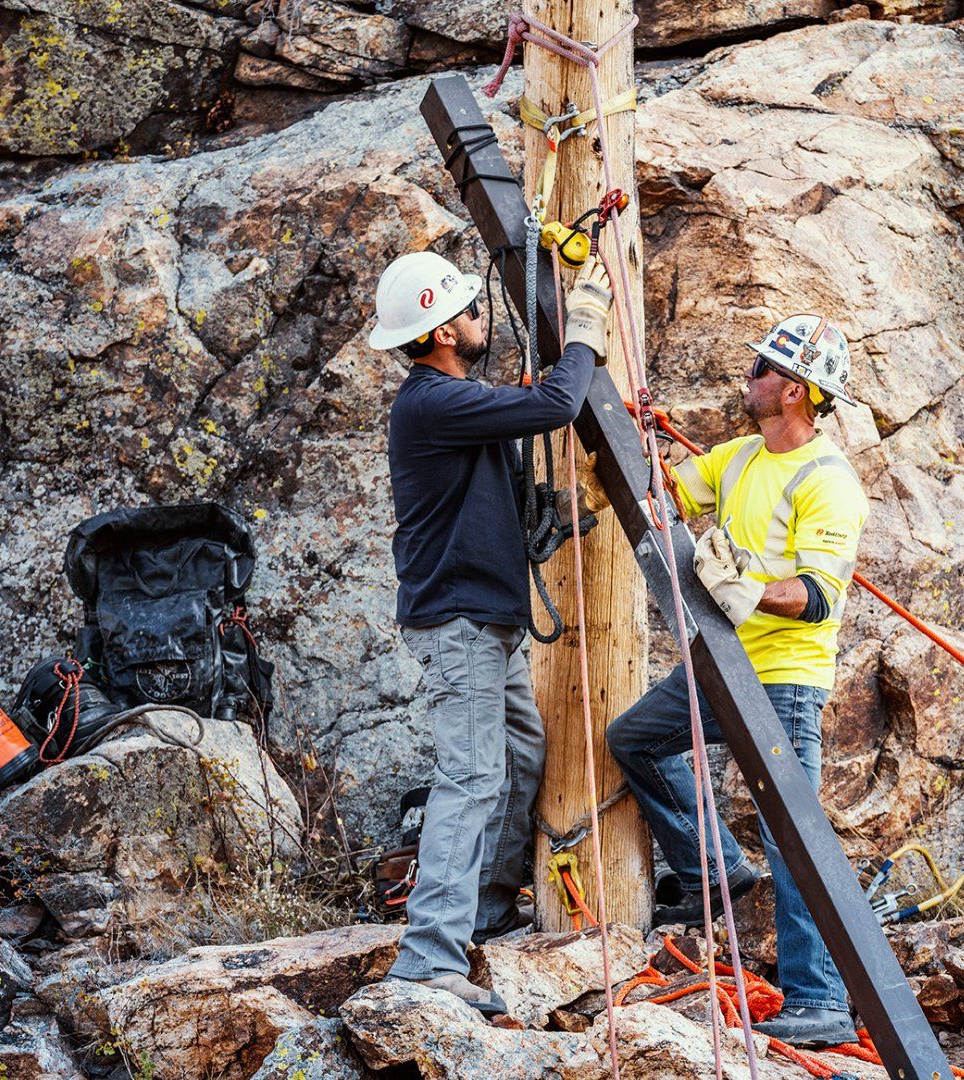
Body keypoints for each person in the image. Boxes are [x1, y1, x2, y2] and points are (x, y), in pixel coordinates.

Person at [606, 314, 870, 1048]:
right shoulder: (740, 458)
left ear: (793, 389)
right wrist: (638, 438)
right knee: (634, 739)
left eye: (760, 368)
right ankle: (718, 867)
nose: (748, 376)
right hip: (722, 663)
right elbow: (669, 490)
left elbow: (817, 597)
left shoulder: (831, 483)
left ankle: (817, 999)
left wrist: (747, 584)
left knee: (795, 839)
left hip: (783, 679)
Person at [372, 250, 613, 1016]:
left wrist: (553, 516)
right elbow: (555, 406)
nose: (483, 320)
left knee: (519, 752)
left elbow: (502, 483)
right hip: (463, 623)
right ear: (443, 328)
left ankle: (482, 908)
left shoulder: (453, 401)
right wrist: (588, 333)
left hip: (484, 618)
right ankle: (427, 960)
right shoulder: (433, 402)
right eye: (472, 311)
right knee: (472, 777)